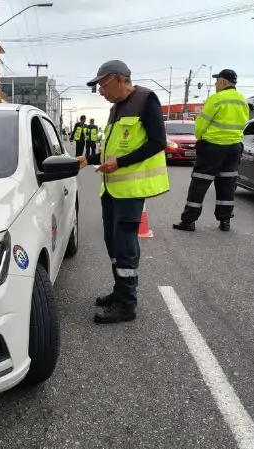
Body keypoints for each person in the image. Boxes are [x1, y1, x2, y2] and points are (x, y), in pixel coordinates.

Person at [77, 60, 170, 324]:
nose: (100, 92)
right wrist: (90, 159)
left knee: (125, 245)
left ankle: (127, 304)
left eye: (102, 85)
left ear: (119, 79)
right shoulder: (116, 108)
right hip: (112, 190)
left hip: (130, 190)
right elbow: (113, 148)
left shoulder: (145, 100)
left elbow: (157, 142)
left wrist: (120, 163)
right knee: (112, 242)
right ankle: (120, 292)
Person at [172, 69, 250, 232]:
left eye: (217, 80)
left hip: (213, 147)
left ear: (223, 82)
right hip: (233, 148)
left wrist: (200, 139)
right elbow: (244, 123)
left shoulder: (216, 99)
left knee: (199, 183)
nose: (215, 84)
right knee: (227, 185)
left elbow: (202, 123)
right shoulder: (242, 100)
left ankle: (189, 221)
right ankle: (225, 221)